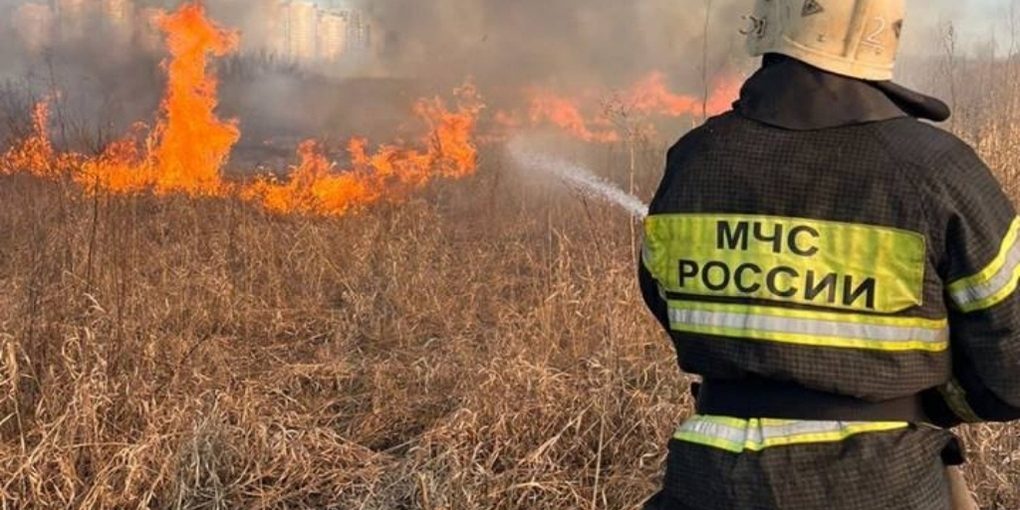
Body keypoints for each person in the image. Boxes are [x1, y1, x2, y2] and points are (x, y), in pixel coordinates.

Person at [638, 0, 1020, 508]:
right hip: (885, 483)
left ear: (768, 25)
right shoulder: (939, 171)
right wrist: (927, 399)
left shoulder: (694, 159)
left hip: (710, 480)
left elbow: (666, 300)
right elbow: (1010, 362)